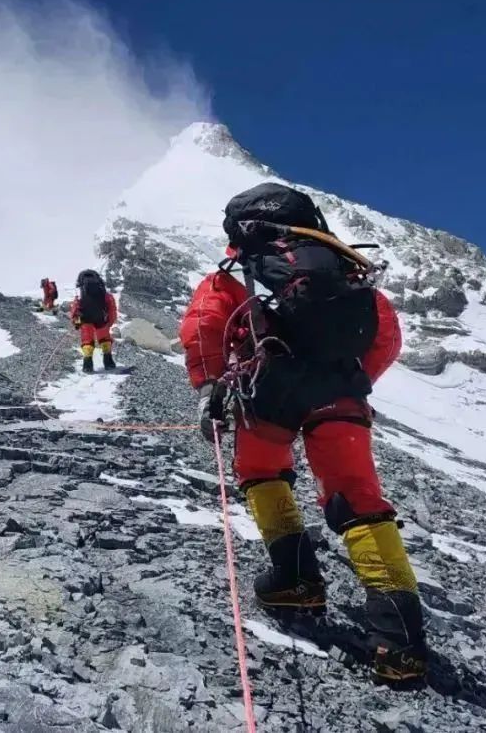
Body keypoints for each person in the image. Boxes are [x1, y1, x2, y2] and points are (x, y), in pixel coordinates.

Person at [178, 181, 427, 685]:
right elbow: (385, 334)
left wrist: (210, 388)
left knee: (261, 472)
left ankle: (295, 581)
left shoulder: (238, 272)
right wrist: (351, 385)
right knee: (357, 496)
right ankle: (401, 643)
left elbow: (204, 324)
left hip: (267, 391)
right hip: (339, 391)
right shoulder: (343, 268)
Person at [71, 269, 117, 373]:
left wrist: (76, 322)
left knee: (87, 340)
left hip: (85, 319)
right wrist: (110, 321)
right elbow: (111, 306)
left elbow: (75, 308)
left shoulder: (81, 292)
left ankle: (87, 366)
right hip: (101, 318)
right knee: (105, 339)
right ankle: (108, 362)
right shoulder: (103, 291)